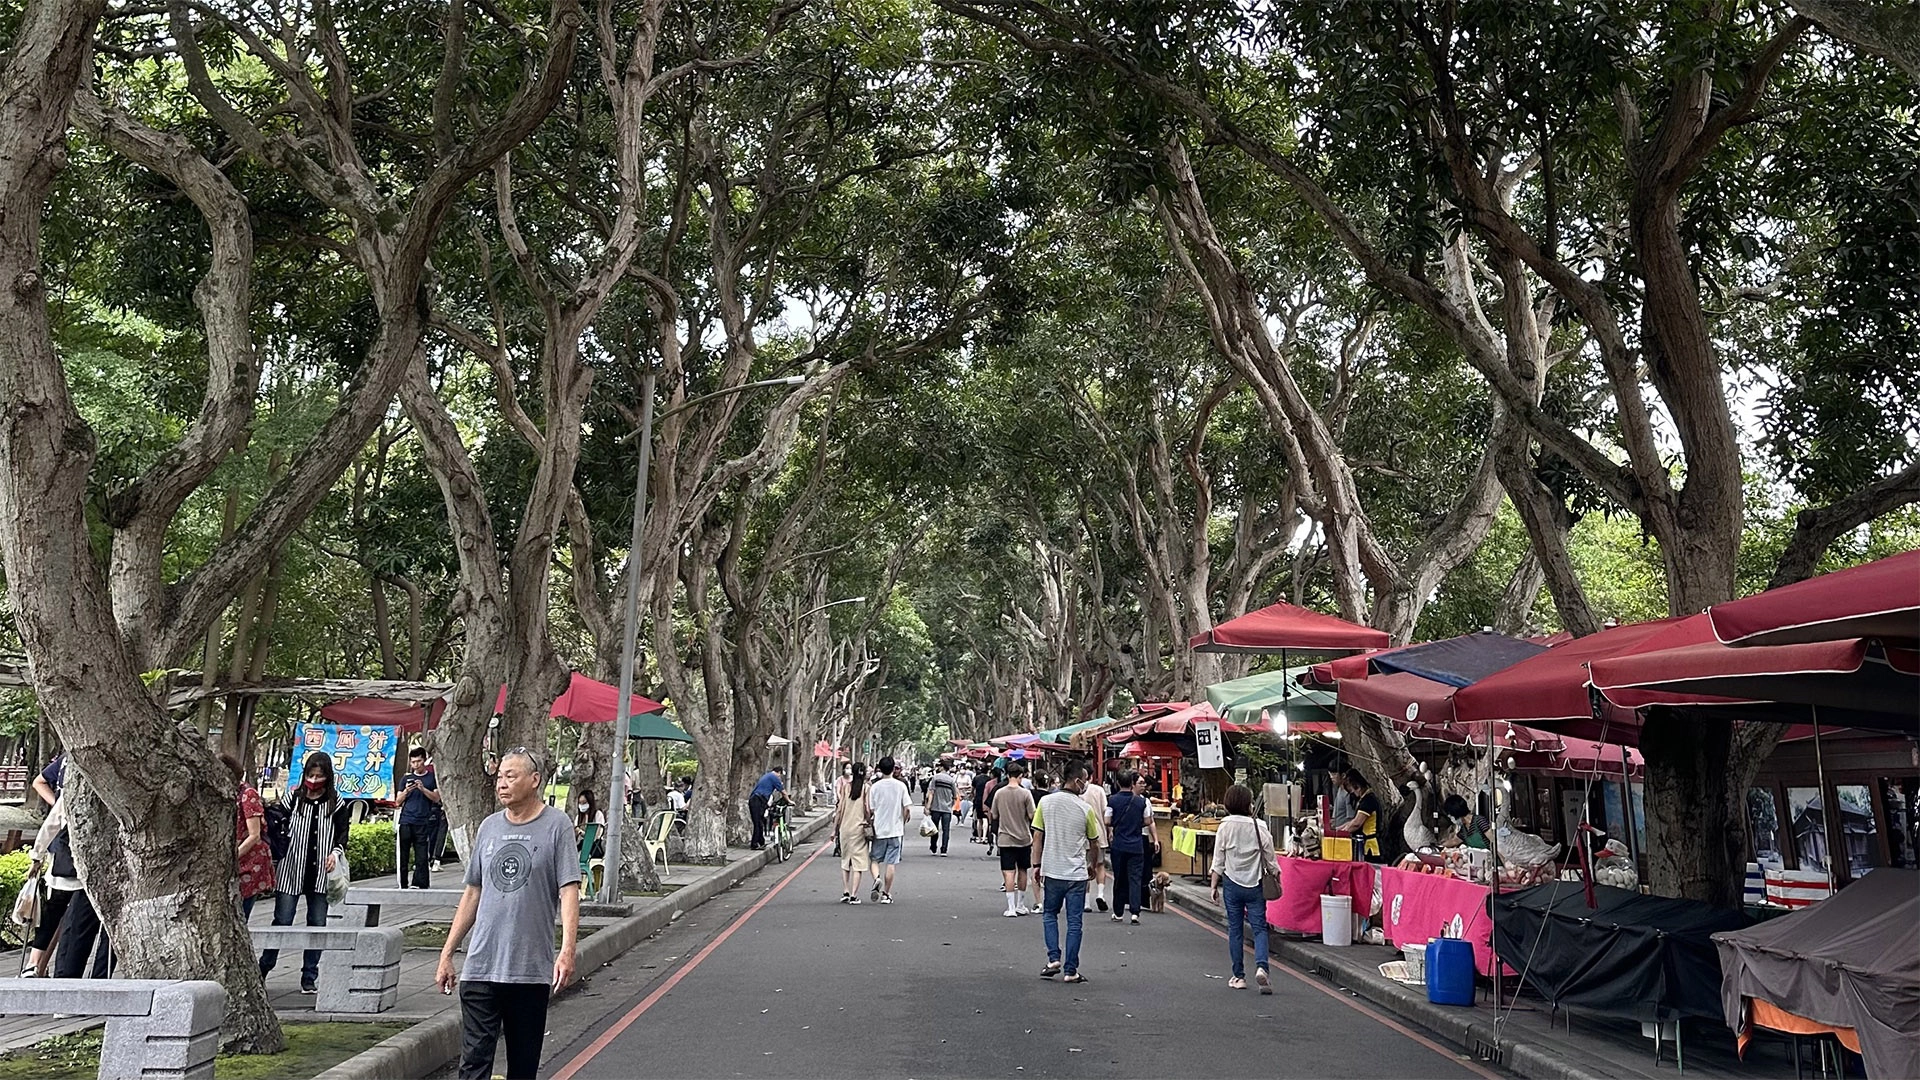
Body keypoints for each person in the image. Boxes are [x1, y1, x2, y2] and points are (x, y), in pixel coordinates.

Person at [437, 749, 580, 1080]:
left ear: (534, 780)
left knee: (522, 1065)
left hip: (528, 970)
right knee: (472, 1065)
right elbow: (473, 891)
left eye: (511, 776)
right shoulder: (488, 827)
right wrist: (447, 954)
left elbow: (569, 891)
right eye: (500, 776)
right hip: (481, 967)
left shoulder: (556, 825)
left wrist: (567, 950)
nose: (501, 783)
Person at [260, 751, 353, 993]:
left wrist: (335, 852)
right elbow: (277, 822)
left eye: (319, 776)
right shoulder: (294, 799)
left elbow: (343, 833)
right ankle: (264, 968)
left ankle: (309, 976)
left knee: (317, 923)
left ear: (327, 777)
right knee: (282, 920)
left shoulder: (337, 803)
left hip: (321, 871)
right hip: (292, 868)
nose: (314, 780)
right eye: (310, 775)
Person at [1032, 761, 1101, 984]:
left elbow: (1038, 837)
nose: (1086, 784)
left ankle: (1053, 958)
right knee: (1074, 923)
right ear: (1076, 780)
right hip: (1077, 874)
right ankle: (1071, 971)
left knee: (1049, 914)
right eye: (1085, 779)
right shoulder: (1085, 809)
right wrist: (1092, 864)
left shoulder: (1045, 802)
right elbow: (1094, 843)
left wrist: (1036, 865)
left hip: (1052, 870)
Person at [1210, 783, 1275, 993]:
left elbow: (1218, 859)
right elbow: (1270, 858)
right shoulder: (1260, 826)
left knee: (1235, 930)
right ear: (1248, 803)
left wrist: (1213, 885)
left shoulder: (1225, 826)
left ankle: (1238, 976)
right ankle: (1262, 967)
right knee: (1259, 928)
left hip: (1231, 883)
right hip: (1255, 883)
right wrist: (1277, 874)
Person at [21, 797, 81, 977]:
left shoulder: (70, 789)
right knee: (68, 920)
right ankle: (37, 966)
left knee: (53, 915)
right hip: (77, 869)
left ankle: (34, 964)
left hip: (65, 863)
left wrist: (37, 857)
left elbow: (51, 823)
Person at [225, 753, 276, 918]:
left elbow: (255, 835)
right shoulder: (226, 794)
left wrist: (233, 857)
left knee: (240, 914)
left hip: (249, 860)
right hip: (233, 860)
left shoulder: (247, 794)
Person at [1107, 770, 1158, 924]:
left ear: (1117, 783)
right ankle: (1135, 912)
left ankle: (1118, 912)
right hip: (1136, 845)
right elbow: (1148, 821)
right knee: (1135, 878)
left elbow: (1107, 820)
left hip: (1119, 845)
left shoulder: (1112, 800)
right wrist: (1136, 824)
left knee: (1119, 878)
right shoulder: (1141, 802)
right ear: (1131, 784)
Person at [990, 762, 1036, 917]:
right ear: (1021, 776)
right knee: (1023, 870)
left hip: (1005, 838)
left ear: (1007, 775)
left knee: (1009, 873)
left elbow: (994, 815)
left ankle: (1010, 908)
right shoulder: (1025, 794)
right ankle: (1020, 905)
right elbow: (1032, 815)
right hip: (1023, 838)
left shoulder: (999, 793)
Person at [865, 757, 910, 903]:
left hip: (879, 829)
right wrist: (903, 820)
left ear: (879, 769)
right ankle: (886, 894)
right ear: (893, 769)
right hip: (895, 830)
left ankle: (877, 879)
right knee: (891, 863)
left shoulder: (874, 787)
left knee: (875, 860)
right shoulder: (900, 786)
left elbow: (870, 809)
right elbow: (907, 808)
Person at [398, 746, 442, 889]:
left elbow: (436, 798)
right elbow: (398, 801)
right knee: (403, 854)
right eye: (413, 762)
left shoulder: (431, 778)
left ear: (424, 761)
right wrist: (406, 791)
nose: (416, 765)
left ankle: (420, 883)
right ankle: (402, 883)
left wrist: (423, 789)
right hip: (406, 820)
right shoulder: (406, 778)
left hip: (423, 821)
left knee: (422, 856)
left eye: (419, 761)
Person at [836, 762, 873, 903]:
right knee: (858, 862)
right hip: (859, 829)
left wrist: (835, 830)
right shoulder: (866, 788)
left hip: (844, 829)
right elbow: (867, 809)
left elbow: (840, 809)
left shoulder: (846, 787)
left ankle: (845, 891)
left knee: (845, 861)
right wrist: (869, 821)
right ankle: (854, 895)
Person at [1079, 771, 1111, 913]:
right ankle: (1100, 894)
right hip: (1099, 832)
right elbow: (1106, 812)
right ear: (1091, 777)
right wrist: (1109, 830)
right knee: (1100, 864)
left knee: (1085, 866)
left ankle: (1086, 902)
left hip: (1082, 833)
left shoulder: (1078, 791)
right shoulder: (1098, 790)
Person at [1336, 768, 1384, 862]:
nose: (1352, 792)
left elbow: (1356, 823)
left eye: (1353, 789)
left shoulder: (1368, 800)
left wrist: (1341, 833)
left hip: (1371, 846)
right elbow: (1353, 821)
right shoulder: (1363, 799)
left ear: (1358, 786)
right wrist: (1338, 829)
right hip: (1365, 844)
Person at [923, 761, 957, 856]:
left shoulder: (935, 778)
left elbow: (931, 793)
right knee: (946, 830)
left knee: (935, 828)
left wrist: (927, 807)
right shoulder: (951, 780)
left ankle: (933, 846)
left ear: (942, 767)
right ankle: (944, 850)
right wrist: (951, 805)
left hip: (936, 807)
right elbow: (955, 795)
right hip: (947, 809)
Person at [748, 767, 785, 851]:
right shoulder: (774, 777)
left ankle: (761, 842)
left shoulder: (767, 776)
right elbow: (783, 791)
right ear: (778, 772)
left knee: (760, 822)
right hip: (757, 800)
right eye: (780, 775)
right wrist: (789, 801)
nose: (780, 777)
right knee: (758, 823)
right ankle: (754, 844)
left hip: (759, 800)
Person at [574, 789, 605, 860]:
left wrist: (583, 833)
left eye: (584, 803)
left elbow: (598, 835)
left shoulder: (597, 815)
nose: (581, 805)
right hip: (582, 844)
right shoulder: (578, 817)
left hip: (594, 846)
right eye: (580, 803)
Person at [970, 766, 993, 843]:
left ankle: (979, 838)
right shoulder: (989, 779)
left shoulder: (976, 778)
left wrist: (973, 797)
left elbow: (972, 790)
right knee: (986, 819)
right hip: (987, 800)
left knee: (979, 820)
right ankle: (984, 837)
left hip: (978, 799)